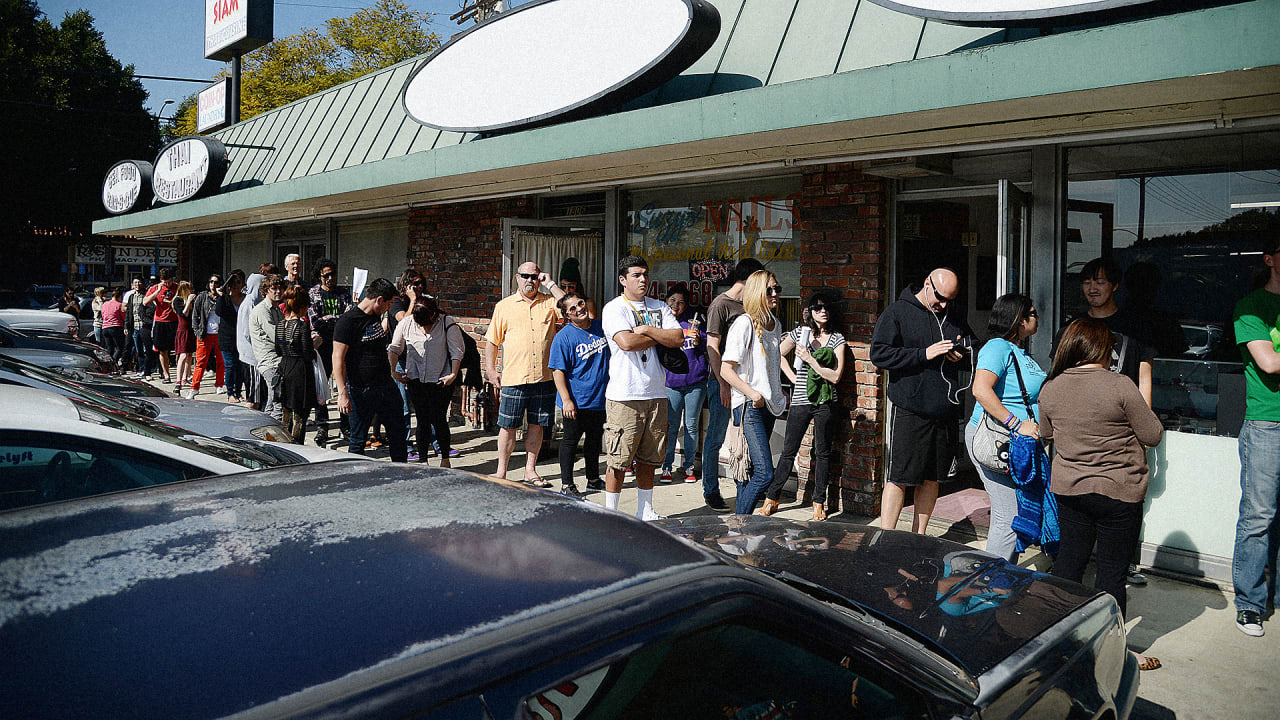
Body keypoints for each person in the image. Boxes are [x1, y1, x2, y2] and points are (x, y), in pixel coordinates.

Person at [1039, 317, 1163, 672]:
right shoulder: (1120, 385)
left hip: (1071, 490)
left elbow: (1046, 432)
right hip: (1119, 492)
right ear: (1101, 348)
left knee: (1069, 564)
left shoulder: (1051, 387)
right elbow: (1152, 434)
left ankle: (1057, 639)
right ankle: (1112, 649)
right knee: (1111, 575)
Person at [1051, 257, 1160, 585]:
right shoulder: (1071, 328)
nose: (1092, 288)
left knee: (1119, 519)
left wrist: (1143, 429)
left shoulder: (1134, 325)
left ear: (1115, 285)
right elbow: (1057, 379)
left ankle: (1123, 564)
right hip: (1079, 445)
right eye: (1087, 281)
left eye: (1099, 281)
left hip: (1123, 437)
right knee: (1074, 548)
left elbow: (1144, 377)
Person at [870, 268, 974, 534]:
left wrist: (961, 353)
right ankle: (886, 535)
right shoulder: (897, 312)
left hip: (944, 409)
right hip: (910, 408)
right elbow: (879, 354)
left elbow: (973, 346)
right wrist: (922, 354)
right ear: (927, 283)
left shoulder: (952, 315)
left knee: (932, 477)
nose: (944, 305)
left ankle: (920, 534)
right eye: (940, 298)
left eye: (950, 300)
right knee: (900, 476)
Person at [964, 294, 1047, 561]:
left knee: (1017, 512)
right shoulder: (997, 347)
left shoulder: (1017, 350)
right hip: (996, 439)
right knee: (1008, 514)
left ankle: (1003, 573)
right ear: (1019, 319)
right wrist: (1016, 424)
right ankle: (992, 580)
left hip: (1016, 443)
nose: (1037, 318)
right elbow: (980, 389)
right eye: (1032, 313)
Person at [600, 255, 684, 519]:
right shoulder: (614, 308)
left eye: (645, 274)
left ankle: (645, 509)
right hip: (625, 394)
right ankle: (611, 513)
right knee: (619, 459)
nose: (643, 279)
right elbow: (626, 343)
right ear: (623, 280)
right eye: (636, 275)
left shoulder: (659, 306)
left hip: (656, 392)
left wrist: (646, 330)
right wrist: (660, 337)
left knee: (650, 457)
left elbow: (678, 337)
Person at [758, 289, 847, 521]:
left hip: (825, 400)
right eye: (817, 307)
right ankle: (772, 498)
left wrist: (810, 360)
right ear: (810, 311)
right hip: (800, 399)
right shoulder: (800, 333)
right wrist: (793, 377)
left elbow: (835, 376)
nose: (823, 311)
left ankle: (819, 502)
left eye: (826, 307)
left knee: (823, 452)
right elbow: (776, 355)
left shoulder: (837, 338)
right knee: (789, 451)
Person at [1231, 237, 1280, 638]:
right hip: (1267, 424)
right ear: (1270, 260)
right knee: (1259, 516)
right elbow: (1269, 362)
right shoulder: (1251, 307)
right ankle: (1250, 603)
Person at [484, 261, 566, 485]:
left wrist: (551, 284)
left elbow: (568, 307)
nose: (530, 280)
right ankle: (501, 472)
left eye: (534, 276)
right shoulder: (504, 306)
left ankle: (530, 470)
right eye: (526, 276)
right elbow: (492, 341)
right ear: (517, 278)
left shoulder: (549, 302)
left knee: (537, 425)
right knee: (508, 426)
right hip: (514, 377)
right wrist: (491, 369)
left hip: (543, 377)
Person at [702, 258, 766, 513]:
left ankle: (745, 487)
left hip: (747, 383)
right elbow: (712, 346)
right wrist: (722, 382)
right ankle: (711, 489)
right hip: (722, 381)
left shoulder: (750, 304)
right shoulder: (721, 304)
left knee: (744, 439)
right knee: (716, 436)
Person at [720, 270, 786, 515]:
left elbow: (771, 365)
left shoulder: (775, 324)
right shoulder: (744, 323)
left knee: (747, 471)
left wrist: (779, 391)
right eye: (769, 290)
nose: (775, 294)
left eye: (777, 289)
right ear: (757, 293)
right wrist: (752, 394)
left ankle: (741, 532)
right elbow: (726, 370)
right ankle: (739, 522)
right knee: (764, 473)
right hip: (750, 406)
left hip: (769, 405)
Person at [334, 278, 407, 462]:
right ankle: (357, 475)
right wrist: (342, 393)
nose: (389, 308)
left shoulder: (375, 316)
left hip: (385, 385)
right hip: (361, 389)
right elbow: (338, 358)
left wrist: (392, 372)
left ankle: (402, 472)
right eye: (389, 304)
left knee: (398, 434)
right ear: (379, 300)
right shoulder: (347, 321)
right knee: (358, 440)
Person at [389, 294, 465, 467]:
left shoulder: (447, 323)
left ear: (433, 315)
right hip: (416, 379)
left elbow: (456, 351)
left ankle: (445, 459)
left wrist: (453, 374)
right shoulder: (407, 323)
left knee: (439, 419)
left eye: (427, 323)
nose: (424, 327)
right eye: (420, 323)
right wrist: (393, 371)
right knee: (422, 419)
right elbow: (394, 348)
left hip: (441, 379)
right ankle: (423, 460)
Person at [550, 292, 609, 498]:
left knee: (594, 440)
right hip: (576, 400)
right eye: (572, 308)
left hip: (599, 399)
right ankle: (566, 484)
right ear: (567, 315)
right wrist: (567, 400)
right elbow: (557, 371)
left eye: (580, 303)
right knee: (570, 441)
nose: (579, 309)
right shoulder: (563, 337)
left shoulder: (601, 327)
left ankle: (593, 479)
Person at [659, 283, 708, 484]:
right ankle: (666, 466)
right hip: (671, 381)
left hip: (695, 381)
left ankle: (689, 466)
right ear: (666, 301)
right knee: (670, 426)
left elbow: (708, 344)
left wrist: (698, 341)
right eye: (672, 300)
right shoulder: (662, 322)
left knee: (691, 426)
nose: (676, 305)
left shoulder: (694, 321)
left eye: (680, 302)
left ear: (686, 304)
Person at [308, 258, 352, 445]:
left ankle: (346, 425)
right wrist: (337, 319)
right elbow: (315, 321)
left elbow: (349, 317)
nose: (330, 278)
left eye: (333, 274)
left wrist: (330, 319)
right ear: (319, 276)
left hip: (342, 343)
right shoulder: (313, 293)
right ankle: (322, 426)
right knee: (321, 386)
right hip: (323, 345)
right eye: (326, 275)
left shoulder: (343, 292)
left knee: (345, 385)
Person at [276, 286, 319, 443]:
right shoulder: (302, 325)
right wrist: (316, 345)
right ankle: (297, 445)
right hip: (301, 371)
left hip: (284, 368)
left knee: (286, 413)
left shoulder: (280, 325)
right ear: (302, 306)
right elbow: (308, 353)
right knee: (300, 415)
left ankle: (284, 445)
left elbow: (277, 350)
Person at [389, 269, 425, 458]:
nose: (419, 287)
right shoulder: (397, 302)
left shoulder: (424, 301)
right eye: (415, 283)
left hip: (419, 359)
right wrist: (412, 300)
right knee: (403, 406)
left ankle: (433, 442)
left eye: (421, 283)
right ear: (406, 284)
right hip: (401, 360)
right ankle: (406, 445)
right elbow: (405, 321)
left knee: (424, 404)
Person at [250, 274, 286, 422]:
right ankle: (274, 432)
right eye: (274, 289)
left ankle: (265, 428)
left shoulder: (276, 309)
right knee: (278, 402)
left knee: (271, 404)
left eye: (280, 288)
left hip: (278, 361)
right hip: (270, 362)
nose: (278, 291)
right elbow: (278, 335)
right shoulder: (262, 310)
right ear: (266, 290)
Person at [188, 274, 226, 399]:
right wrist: (197, 331)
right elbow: (195, 314)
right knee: (201, 362)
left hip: (220, 333)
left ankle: (219, 384)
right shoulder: (202, 296)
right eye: (211, 282)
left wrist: (222, 296)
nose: (213, 285)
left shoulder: (223, 297)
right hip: (205, 333)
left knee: (221, 361)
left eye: (216, 282)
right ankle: (194, 387)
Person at [143, 269, 178, 383]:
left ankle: (181, 376)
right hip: (160, 321)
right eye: (165, 282)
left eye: (169, 281)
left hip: (175, 321)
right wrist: (157, 291)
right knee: (162, 350)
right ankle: (166, 375)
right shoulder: (155, 288)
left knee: (178, 350)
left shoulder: (177, 287)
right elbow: (145, 302)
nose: (167, 284)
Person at [217, 271, 246, 404]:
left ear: (243, 284)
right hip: (227, 338)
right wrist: (221, 296)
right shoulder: (225, 299)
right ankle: (230, 393)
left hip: (242, 338)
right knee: (230, 366)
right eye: (232, 282)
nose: (235, 285)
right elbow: (219, 312)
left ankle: (238, 392)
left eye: (238, 282)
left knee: (240, 366)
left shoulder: (246, 299)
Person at [237, 273, 265, 410]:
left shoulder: (253, 302)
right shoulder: (250, 304)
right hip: (252, 357)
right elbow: (248, 332)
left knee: (257, 397)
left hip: (252, 356)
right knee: (253, 398)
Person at [172, 280, 196, 392]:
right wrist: (189, 301)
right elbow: (183, 314)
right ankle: (178, 380)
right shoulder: (178, 300)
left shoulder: (190, 301)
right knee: (183, 355)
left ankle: (185, 378)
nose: (191, 291)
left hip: (190, 329)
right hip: (182, 330)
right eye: (189, 288)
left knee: (189, 355)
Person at [100, 287, 127, 371]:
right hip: (116, 327)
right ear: (119, 296)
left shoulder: (105, 304)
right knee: (120, 348)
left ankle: (107, 365)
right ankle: (112, 363)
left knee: (110, 348)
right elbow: (123, 317)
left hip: (105, 327)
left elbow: (103, 315)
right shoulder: (119, 305)